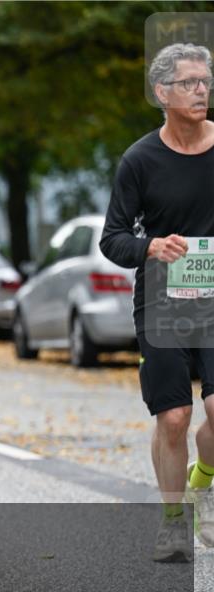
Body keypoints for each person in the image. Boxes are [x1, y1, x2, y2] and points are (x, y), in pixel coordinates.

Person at [99, 43, 214, 563]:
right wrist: (151, 247)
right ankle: (173, 522)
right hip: (163, 302)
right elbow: (113, 239)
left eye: (205, 81)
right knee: (174, 417)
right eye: (189, 82)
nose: (201, 90)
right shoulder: (140, 160)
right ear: (162, 93)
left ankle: (202, 479)